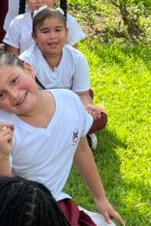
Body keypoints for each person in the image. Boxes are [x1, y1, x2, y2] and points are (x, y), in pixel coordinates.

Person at [0, 52, 124, 226]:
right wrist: (3, 153)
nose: (14, 95)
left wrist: (101, 198)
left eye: (14, 80)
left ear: (28, 69)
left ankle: (82, 219)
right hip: (14, 210)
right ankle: (71, 218)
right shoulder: (1, 129)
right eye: (1, 95)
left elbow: (81, 149)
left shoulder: (68, 101)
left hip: (49, 201)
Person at [20, 8, 106, 143]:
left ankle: (64, 136)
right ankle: (75, 137)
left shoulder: (77, 58)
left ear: (66, 32)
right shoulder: (26, 61)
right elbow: (27, 101)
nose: (52, 36)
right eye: (45, 31)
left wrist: (87, 107)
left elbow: (82, 94)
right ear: (34, 37)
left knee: (101, 116)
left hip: (69, 107)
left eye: (58, 30)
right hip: (41, 109)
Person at [3, 0, 85, 55]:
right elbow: (12, 59)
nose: (40, 0)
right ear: (27, 0)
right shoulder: (18, 23)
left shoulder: (68, 21)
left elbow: (74, 56)